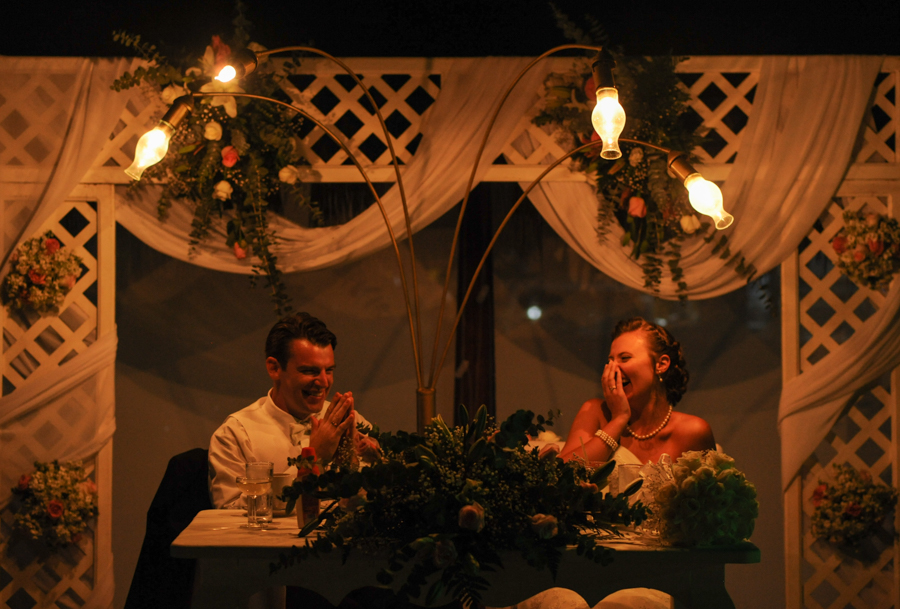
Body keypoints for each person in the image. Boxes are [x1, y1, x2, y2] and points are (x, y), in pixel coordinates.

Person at [208, 312, 378, 508]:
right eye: (309, 371)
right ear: (274, 368)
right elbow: (228, 513)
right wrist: (313, 460)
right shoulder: (235, 434)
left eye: (329, 370)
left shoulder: (346, 420)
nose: (324, 382)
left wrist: (363, 462)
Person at [558, 316, 715, 465]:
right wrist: (618, 420)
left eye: (625, 358)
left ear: (661, 364)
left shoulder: (693, 432)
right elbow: (561, 477)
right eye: (610, 361)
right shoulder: (595, 412)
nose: (613, 368)